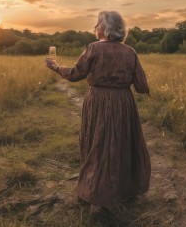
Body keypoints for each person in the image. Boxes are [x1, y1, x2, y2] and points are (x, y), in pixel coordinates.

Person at [44, 11, 151, 215]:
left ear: (106, 28)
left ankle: (96, 199)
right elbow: (141, 85)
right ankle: (127, 190)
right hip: (123, 102)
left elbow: (76, 74)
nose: (95, 27)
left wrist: (56, 67)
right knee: (122, 144)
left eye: (98, 24)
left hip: (98, 101)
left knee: (98, 144)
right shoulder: (130, 52)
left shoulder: (93, 48)